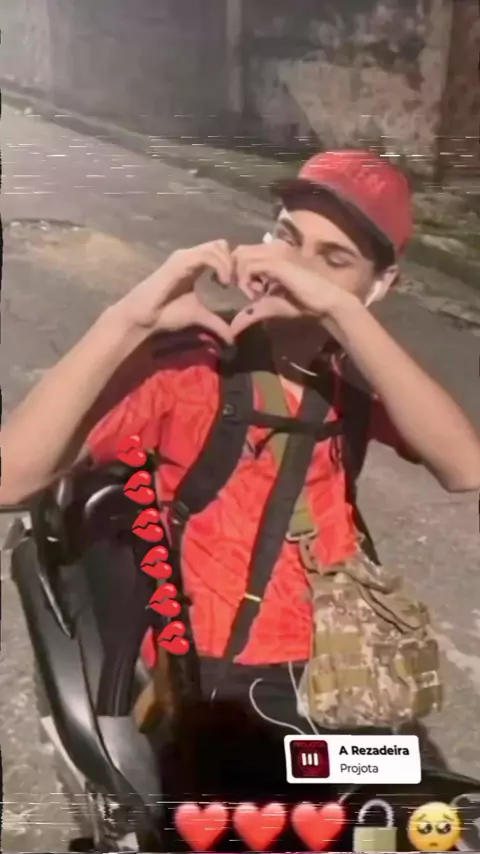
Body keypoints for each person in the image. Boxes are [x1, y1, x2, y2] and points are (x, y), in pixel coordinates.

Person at [2, 150, 480, 847]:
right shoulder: (192, 366)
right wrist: (130, 318)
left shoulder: (351, 374)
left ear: (380, 286)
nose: (296, 267)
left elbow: (464, 466)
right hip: (235, 686)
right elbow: (12, 479)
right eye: (287, 237)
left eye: (334, 259)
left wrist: (341, 313)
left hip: (342, 669)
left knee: (423, 814)